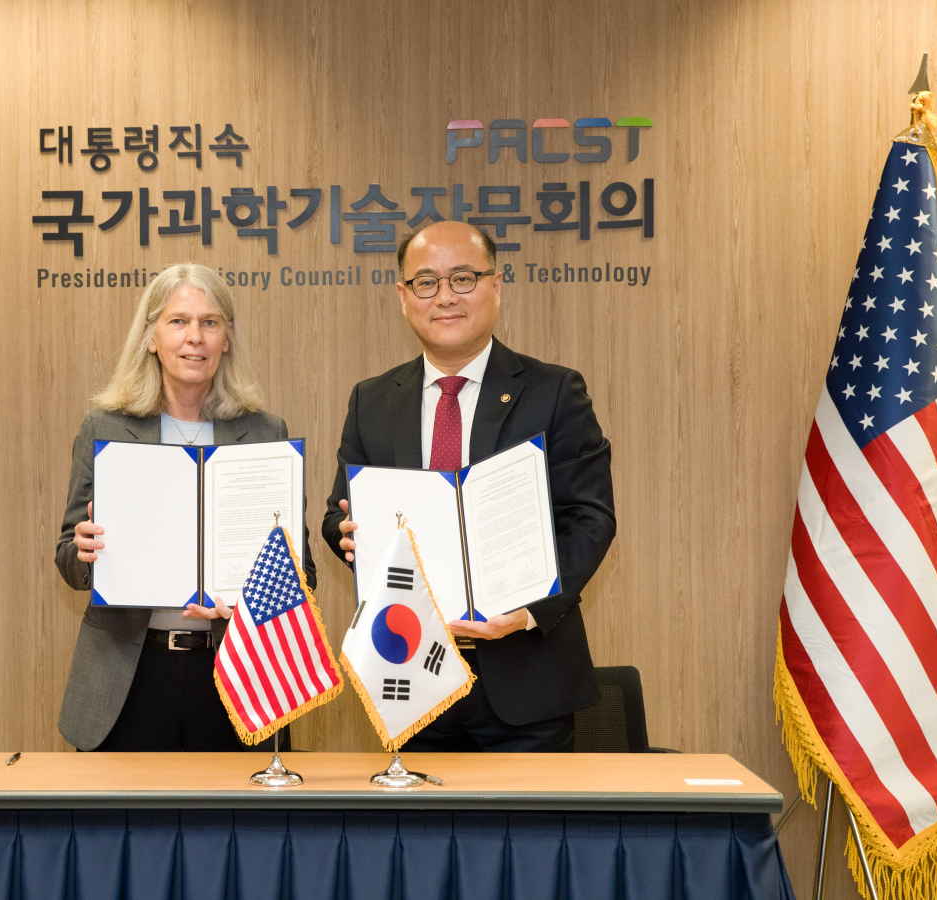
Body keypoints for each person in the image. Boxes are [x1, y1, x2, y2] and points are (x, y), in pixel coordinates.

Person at [323, 221, 615, 752]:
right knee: (415, 837)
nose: (445, 298)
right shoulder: (371, 400)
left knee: (528, 837)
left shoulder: (553, 391)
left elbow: (589, 520)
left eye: (463, 278)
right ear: (402, 296)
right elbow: (337, 513)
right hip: (409, 676)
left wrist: (527, 612)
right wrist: (346, 534)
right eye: (426, 283)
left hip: (527, 683)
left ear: (496, 285)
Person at [55, 263, 313, 751]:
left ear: (227, 339)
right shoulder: (104, 428)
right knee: (126, 828)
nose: (194, 337)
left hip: (237, 672)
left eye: (210, 323)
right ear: (151, 336)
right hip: (129, 677)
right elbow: (69, 561)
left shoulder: (264, 434)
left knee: (236, 828)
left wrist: (257, 598)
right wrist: (84, 550)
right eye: (178, 322)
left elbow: (304, 573)